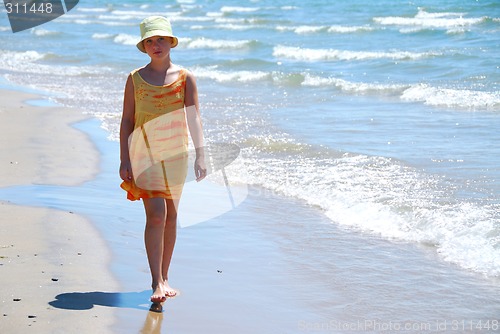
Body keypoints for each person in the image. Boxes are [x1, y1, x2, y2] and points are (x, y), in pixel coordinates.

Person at [119, 16, 206, 304]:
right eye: (149, 41)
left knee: (172, 216)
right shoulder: (135, 79)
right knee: (156, 214)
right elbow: (127, 121)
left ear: (171, 41)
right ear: (143, 46)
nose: (155, 45)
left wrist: (201, 155)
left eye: (160, 39)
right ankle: (156, 280)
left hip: (176, 155)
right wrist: (124, 159)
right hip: (143, 154)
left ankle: (165, 276)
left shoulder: (185, 78)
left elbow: (194, 119)